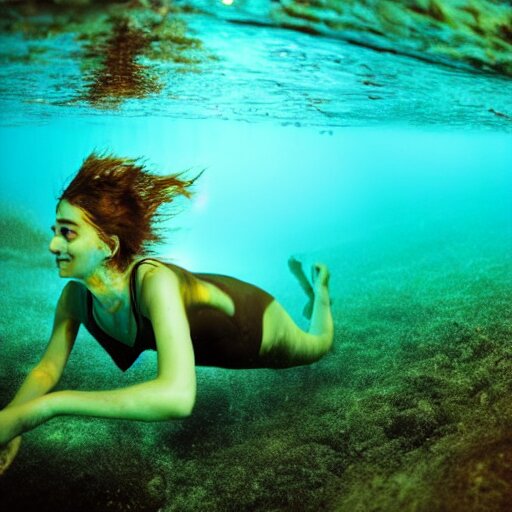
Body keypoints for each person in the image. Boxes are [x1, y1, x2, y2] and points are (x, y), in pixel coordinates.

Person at [0, 153, 334, 475]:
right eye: (54, 231)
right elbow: (46, 370)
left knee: (318, 345)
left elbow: (177, 397)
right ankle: (312, 290)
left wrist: (48, 407)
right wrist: (13, 423)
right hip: (221, 298)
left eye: (67, 232)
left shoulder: (153, 282)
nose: (52, 245)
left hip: (256, 321)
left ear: (109, 246)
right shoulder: (74, 299)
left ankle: (320, 289)